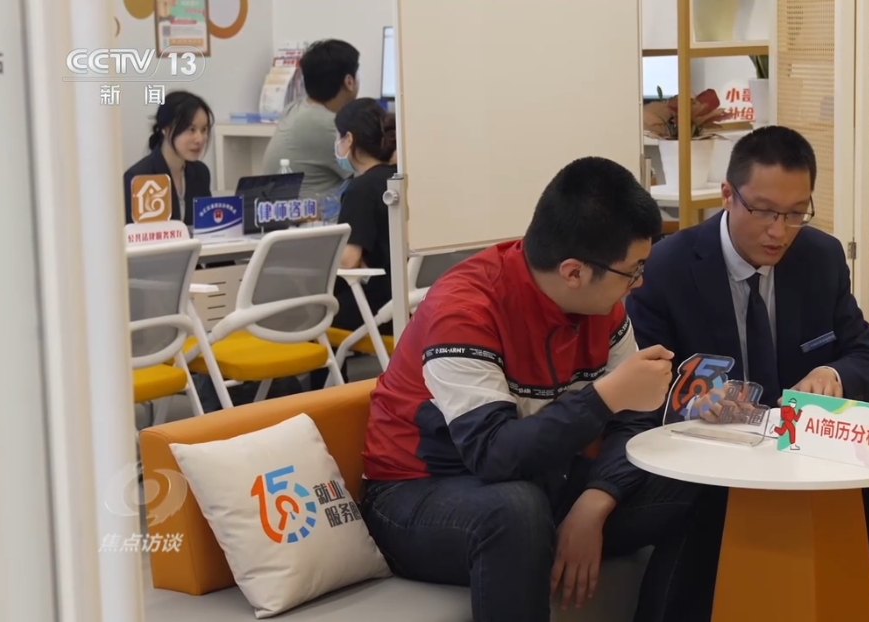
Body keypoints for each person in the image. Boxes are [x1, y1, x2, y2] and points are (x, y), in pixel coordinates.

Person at [359, 157, 725, 622]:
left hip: (546, 482)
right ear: (573, 272)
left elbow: (634, 420)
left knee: (701, 477)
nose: (639, 284)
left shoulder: (601, 306)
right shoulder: (465, 309)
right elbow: (493, 455)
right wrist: (607, 396)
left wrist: (596, 501)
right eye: (632, 270)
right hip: (417, 493)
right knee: (516, 509)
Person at [624, 125, 869, 589]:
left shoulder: (821, 257)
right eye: (764, 211)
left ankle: (837, 598)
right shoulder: (666, 268)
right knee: (707, 507)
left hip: (798, 445)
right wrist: (693, 401)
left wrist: (832, 374)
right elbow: (643, 387)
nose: (779, 231)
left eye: (795, 214)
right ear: (728, 195)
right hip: (711, 453)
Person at [261, 39, 360, 199]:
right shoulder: (327, 125)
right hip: (315, 213)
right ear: (349, 81)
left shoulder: (295, 108)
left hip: (285, 210)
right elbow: (367, 170)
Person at [332, 97, 398, 332]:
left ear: (349, 139)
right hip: (412, 303)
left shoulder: (360, 190)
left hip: (379, 308)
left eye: (338, 137)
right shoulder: (399, 177)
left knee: (310, 311)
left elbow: (348, 261)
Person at [123, 90, 213, 225]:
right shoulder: (139, 178)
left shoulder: (201, 172)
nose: (199, 139)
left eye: (204, 129)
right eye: (191, 130)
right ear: (166, 129)